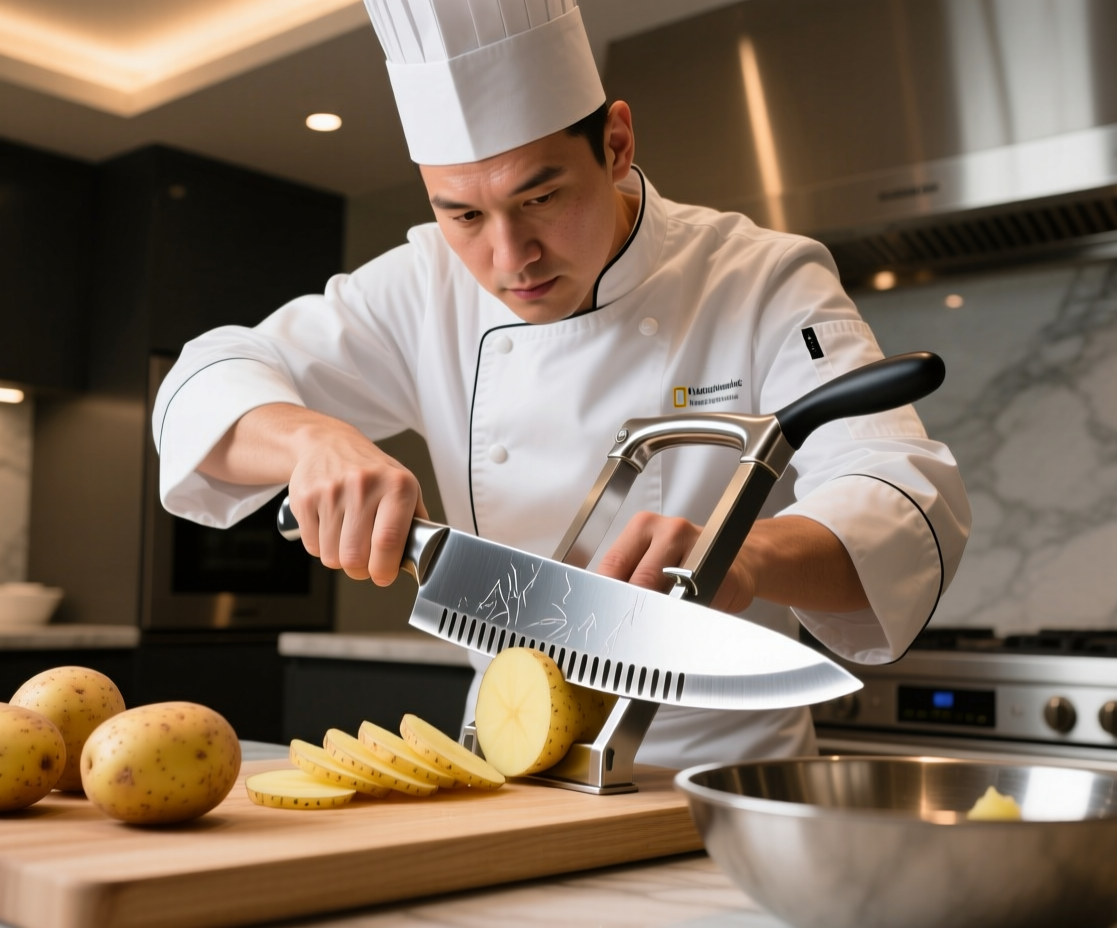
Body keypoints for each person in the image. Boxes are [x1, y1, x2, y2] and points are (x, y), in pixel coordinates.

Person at [154, 0, 970, 768]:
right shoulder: (422, 287)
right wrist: (311, 440)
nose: (511, 260)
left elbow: (900, 490)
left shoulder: (757, 277)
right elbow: (203, 380)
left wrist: (746, 554)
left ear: (616, 143)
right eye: (464, 215)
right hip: (508, 757)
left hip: (721, 771)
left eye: (540, 197)